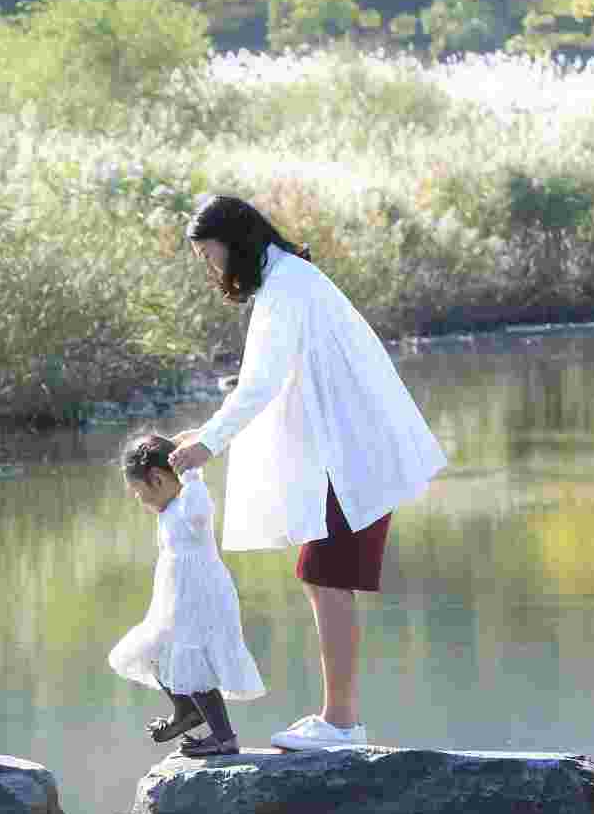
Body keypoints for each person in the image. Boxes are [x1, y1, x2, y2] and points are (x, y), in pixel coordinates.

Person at [169, 196, 445, 751]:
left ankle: (341, 724)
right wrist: (207, 431)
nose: (211, 270)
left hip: (353, 451)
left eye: (209, 255)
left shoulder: (288, 288)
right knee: (322, 574)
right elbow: (275, 382)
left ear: (234, 242)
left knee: (325, 575)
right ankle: (339, 720)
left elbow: (262, 383)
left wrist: (210, 444)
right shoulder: (288, 281)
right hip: (347, 448)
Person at [109, 432, 264, 758]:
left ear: (156, 479)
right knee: (153, 651)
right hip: (175, 602)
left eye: (137, 490)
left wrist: (190, 472)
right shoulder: (167, 511)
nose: (137, 498)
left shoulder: (189, 503)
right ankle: (186, 711)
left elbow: (200, 512)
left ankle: (223, 738)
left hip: (201, 599)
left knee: (194, 664)